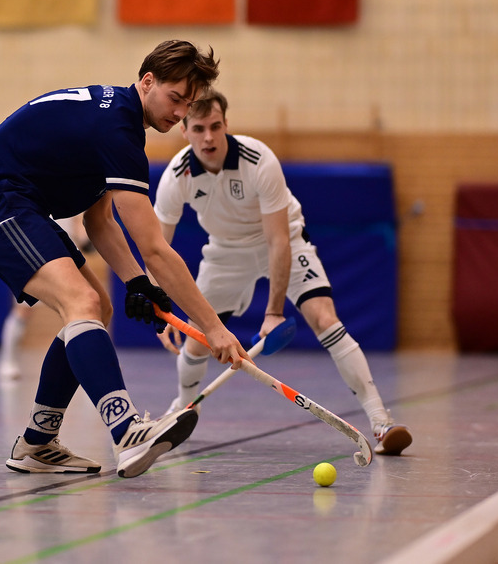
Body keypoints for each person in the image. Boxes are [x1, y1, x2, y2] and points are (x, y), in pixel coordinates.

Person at [0, 40, 250, 479]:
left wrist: (137, 283)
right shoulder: (117, 130)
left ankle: (37, 443)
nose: (179, 113)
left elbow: (99, 220)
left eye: (187, 104)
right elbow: (154, 248)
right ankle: (127, 431)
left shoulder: (120, 121)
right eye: (174, 99)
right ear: (147, 82)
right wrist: (214, 327)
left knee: (99, 307)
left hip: (22, 206)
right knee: (83, 305)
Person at [153, 89, 412, 455]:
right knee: (196, 341)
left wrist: (273, 313)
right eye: (198, 128)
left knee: (324, 317)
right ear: (185, 131)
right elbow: (157, 248)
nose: (208, 137)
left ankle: (381, 421)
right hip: (226, 251)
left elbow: (278, 241)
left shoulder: (258, 159)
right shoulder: (176, 177)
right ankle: (181, 409)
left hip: (281, 238)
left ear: (226, 124)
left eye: (215, 127)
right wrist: (160, 303)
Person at [0, 214, 95, 380]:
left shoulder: (73, 197)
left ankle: (91, 363)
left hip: (66, 261)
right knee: (23, 310)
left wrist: (88, 239)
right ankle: (7, 362)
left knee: (82, 311)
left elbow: (80, 227)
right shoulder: (31, 195)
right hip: (35, 257)